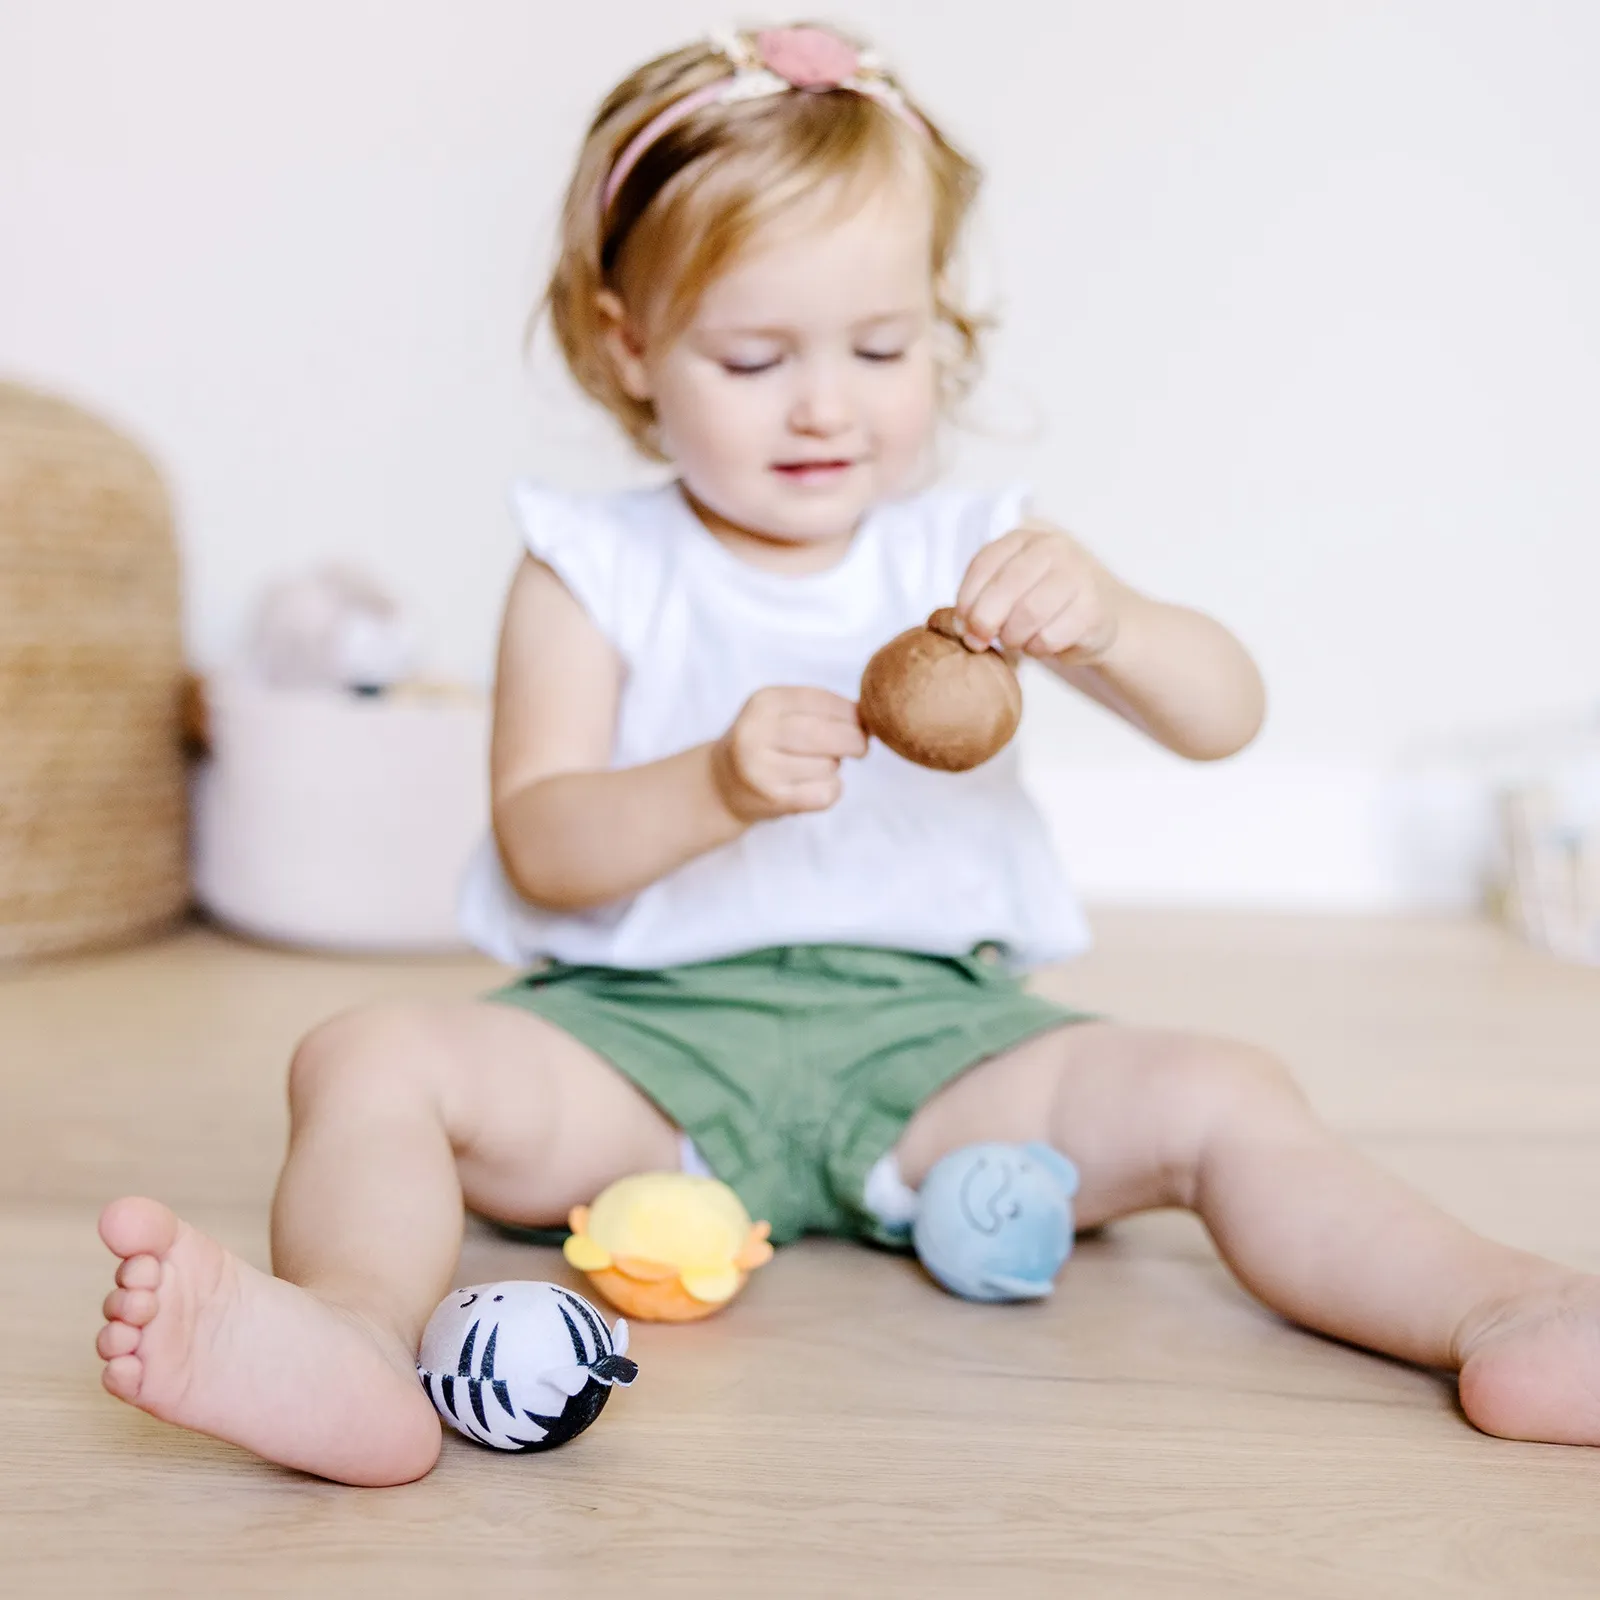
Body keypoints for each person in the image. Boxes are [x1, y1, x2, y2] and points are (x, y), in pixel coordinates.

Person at [95, 23, 1600, 1487]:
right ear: (630, 347)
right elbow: (542, 845)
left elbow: (1227, 719)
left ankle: (1506, 1310)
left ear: (939, 324)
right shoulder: (589, 567)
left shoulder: (977, 546)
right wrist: (713, 786)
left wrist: (1117, 623)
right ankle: (354, 1337)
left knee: (1226, 1088)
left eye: (881, 346)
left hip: (942, 1050)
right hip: (643, 1058)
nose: (826, 403)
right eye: (753, 356)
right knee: (365, 1057)